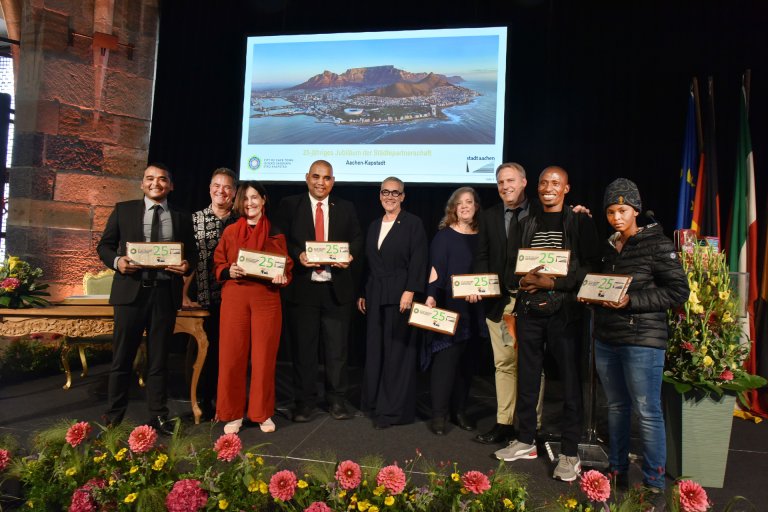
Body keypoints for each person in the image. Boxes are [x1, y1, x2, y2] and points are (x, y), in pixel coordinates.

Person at [495, 166, 599, 483]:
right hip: (529, 310)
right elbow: (512, 264)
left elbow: (592, 267)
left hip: (564, 312)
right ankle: (525, 440)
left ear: (566, 189)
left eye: (555, 183)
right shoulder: (526, 223)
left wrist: (555, 285)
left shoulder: (579, 221)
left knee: (569, 381)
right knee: (527, 376)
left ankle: (570, 453)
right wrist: (523, 278)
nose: (548, 187)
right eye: (543, 182)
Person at [590, 178, 688, 499]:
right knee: (616, 407)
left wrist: (632, 301)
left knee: (647, 411)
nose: (616, 217)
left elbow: (678, 291)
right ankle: (617, 470)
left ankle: (654, 482)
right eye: (611, 211)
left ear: (636, 210)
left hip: (643, 340)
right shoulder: (608, 245)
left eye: (623, 210)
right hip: (607, 337)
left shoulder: (657, 243)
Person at [97, 163, 197, 435]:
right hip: (130, 294)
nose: (156, 183)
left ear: (171, 185)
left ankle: (158, 415)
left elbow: (193, 254)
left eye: (163, 179)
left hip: (165, 295)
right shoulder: (123, 210)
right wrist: (118, 262)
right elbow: (104, 246)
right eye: (150, 179)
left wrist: (186, 266)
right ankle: (114, 416)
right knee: (122, 359)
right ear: (142, 184)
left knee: (159, 360)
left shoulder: (181, 217)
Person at [276, 160, 363, 423]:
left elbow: (357, 239)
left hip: (336, 288)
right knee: (304, 350)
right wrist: (298, 254)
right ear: (306, 178)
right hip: (303, 289)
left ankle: (337, 401)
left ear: (332, 182)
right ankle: (304, 402)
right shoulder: (291, 205)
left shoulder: (346, 208)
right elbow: (280, 238)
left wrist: (349, 255)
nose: (320, 182)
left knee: (337, 350)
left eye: (326, 178)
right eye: (316, 176)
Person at [472, 162, 545, 445]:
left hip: (533, 302)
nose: (505, 187)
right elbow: (482, 255)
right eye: (501, 182)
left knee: (532, 364)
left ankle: (532, 425)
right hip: (500, 302)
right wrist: (481, 286)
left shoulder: (542, 212)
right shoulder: (489, 216)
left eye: (511, 181)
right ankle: (504, 422)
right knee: (503, 364)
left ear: (524, 182)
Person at [213, 181, 293, 434]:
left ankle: (261, 412)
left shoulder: (276, 233)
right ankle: (232, 413)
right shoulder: (230, 232)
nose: (250, 203)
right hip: (235, 297)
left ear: (264, 200)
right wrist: (228, 269)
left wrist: (283, 277)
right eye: (245, 198)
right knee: (231, 356)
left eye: (255, 197)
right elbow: (218, 262)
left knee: (263, 357)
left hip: (266, 299)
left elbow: (285, 266)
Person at [357, 177, 427, 429]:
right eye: (385, 192)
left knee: (398, 354)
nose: (390, 196)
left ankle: (394, 411)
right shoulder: (375, 224)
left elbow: (419, 259)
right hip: (376, 295)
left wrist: (410, 291)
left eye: (395, 193)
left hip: (400, 296)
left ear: (403, 196)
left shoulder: (413, 223)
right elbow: (370, 263)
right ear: (379, 195)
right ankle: (375, 404)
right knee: (376, 350)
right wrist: (364, 292)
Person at [424, 187, 489, 435]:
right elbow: (435, 271)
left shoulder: (483, 236)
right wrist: (430, 296)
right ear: (453, 207)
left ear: (476, 207)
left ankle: (459, 411)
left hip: (477, 308)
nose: (464, 206)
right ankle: (438, 415)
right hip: (451, 308)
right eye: (460, 203)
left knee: (467, 364)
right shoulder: (444, 236)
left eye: (469, 202)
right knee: (446, 365)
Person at [182, 167, 237, 420]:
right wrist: (183, 295)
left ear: (234, 192)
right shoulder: (194, 221)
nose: (221, 191)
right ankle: (200, 400)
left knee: (229, 354)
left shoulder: (240, 221)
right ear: (209, 188)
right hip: (202, 299)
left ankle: (226, 402)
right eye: (217, 185)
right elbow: (184, 262)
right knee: (202, 354)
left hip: (234, 301)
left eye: (227, 187)